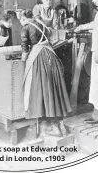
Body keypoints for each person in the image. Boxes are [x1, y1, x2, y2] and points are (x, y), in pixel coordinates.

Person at [17, 9, 72, 137]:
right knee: (52, 88)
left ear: (23, 19)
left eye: (20, 20)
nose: (21, 23)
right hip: (51, 55)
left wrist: (22, 61)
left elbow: (25, 49)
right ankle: (58, 123)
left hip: (39, 57)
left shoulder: (26, 28)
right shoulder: (41, 24)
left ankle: (51, 125)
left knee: (41, 89)